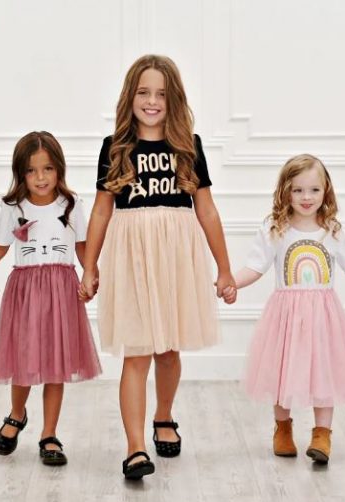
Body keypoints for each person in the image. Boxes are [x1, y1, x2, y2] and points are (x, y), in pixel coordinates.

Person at [80, 54, 236, 479]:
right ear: (130, 97)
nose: (152, 101)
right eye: (144, 93)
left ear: (174, 99)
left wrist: (224, 269)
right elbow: (100, 211)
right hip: (132, 255)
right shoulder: (115, 147)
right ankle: (134, 447)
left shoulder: (189, 146)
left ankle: (164, 414)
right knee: (136, 352)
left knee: (168, 350)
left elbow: (206, 210)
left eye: (161, 94)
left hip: (175, 254)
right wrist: (89, 266)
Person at [227, 154, 345, 464]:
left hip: (322, 316)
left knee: (324, 372)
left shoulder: (333, 231)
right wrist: (231, 284)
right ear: (285, 192)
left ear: (326, 191)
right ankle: (282, 428)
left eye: (314, 190)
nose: (306, 197)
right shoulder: (275, 229)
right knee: (283, 371)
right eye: (298, 190)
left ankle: (322, 434)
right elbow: (255, 266)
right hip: (286, 315)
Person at [0, 131, 101, 466]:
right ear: (20, 173)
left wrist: (91, 273)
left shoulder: (71, 204)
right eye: (31, 171)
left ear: (59, 169)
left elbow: (83, 245)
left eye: (48, 169)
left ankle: (49, 434)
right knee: (24, 359)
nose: (40, 178)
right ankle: (17, 414)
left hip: (61, 289)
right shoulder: (14, 207)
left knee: (56, 364)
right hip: (26, 291)